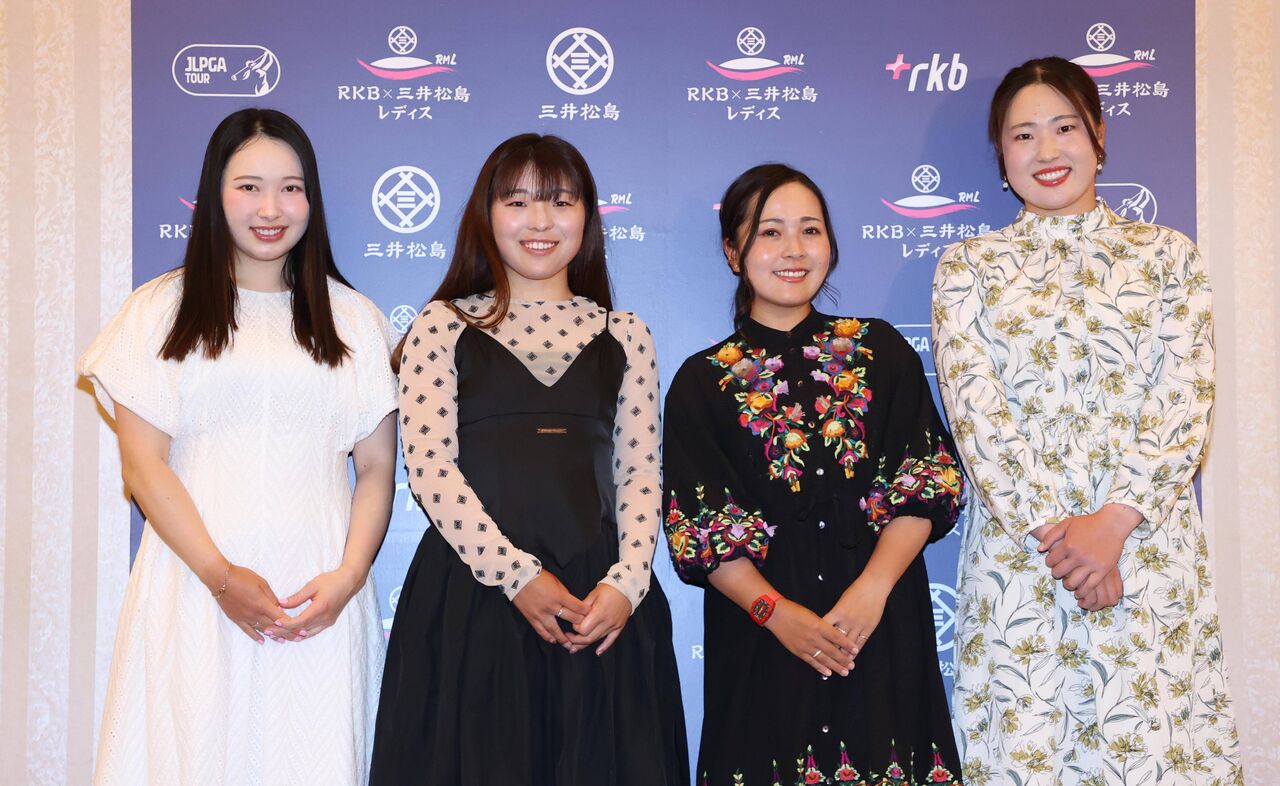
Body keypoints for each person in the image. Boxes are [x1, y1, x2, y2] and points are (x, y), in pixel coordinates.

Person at [933, 56, 1243, 785]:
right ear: (1001, 156)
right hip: (1025, 561)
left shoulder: (1168, 258)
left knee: (1154, 750)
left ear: (1100, 136)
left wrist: (1112, 526)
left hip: (1147, 554)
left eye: (1065, 127)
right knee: (1029, 751)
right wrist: (1068, 545)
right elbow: (977, 417)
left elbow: (1185, 398)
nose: (1046, 150)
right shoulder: (967, 267)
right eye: (1023, 135)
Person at [79, 108, 398, 785]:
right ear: (214, 194)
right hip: (194, 588)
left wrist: (347, 578)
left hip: (318, 602)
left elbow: (376, 468)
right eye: (249, 186)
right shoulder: (158, 311)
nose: (271, 208)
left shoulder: (355, 319)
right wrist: (221, 577)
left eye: (291, 188)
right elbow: (142, 464)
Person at [371, 133, 688, 786]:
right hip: (474, 598)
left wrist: (628, 583)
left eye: (560, 202)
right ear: (486, 215)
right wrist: (516, 577)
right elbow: (429, 468)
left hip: (599, 606)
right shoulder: (443, 325)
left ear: (587, 216)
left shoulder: (626, 334)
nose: (540, 221)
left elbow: (639, 472)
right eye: (517, 202)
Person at [663, 164, 964, 785]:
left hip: (879, 633)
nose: (794, 250)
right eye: (770, 232)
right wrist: (776, 614)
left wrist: (872, 590)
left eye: (810, 230)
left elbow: (925, 481)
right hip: (763, 650)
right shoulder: (701, 382)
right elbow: (701, 529)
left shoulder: (880, 351)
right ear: (733, 252)